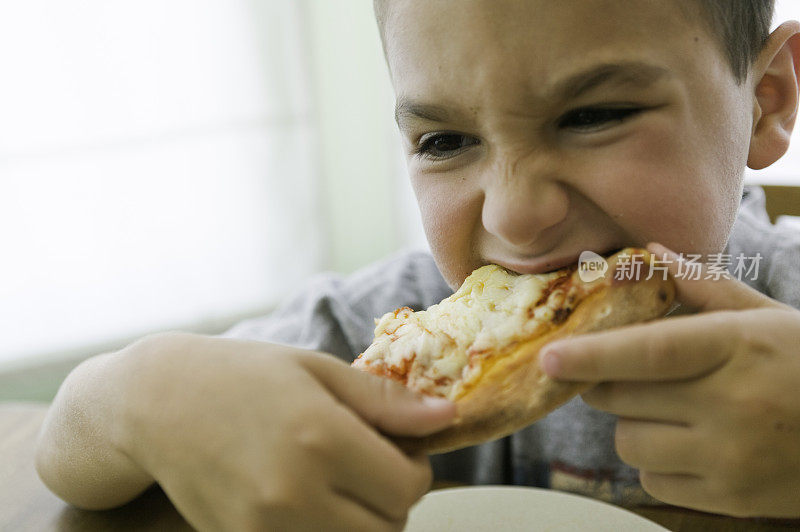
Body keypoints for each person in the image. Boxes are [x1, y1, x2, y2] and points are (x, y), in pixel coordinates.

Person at [36, 0, 800, 529]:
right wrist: (150, 396)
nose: (512, 215)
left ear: (764, 103)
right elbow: (68, 448)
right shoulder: (402, 330)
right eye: (444, 142)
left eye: (594, 116)